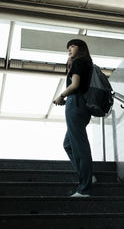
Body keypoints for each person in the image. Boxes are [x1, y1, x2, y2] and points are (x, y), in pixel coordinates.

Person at [53, 39, 93, 197]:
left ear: (81, 48)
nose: (69, 50)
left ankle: (85, 189)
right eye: (68, 47)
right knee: (68, 144)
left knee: (79, 146)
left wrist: (61, 96)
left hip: (75, 103)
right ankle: (88, 175)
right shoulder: (87, 63)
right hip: (82, 105)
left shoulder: (78, 62)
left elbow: (75, 85)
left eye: (72, 46)